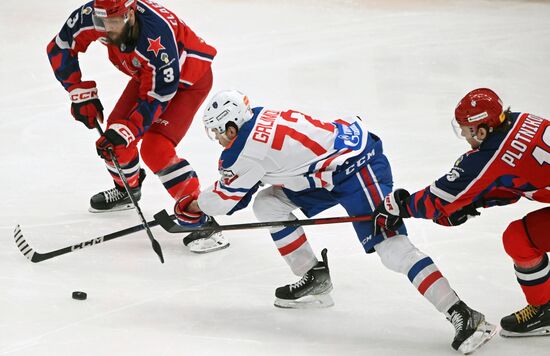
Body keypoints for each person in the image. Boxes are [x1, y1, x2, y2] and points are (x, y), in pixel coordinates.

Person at [173, 89, 496, 354]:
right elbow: (246, 190)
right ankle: (313, 277)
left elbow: (224, 201)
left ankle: (464, 314)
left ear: (232, 127)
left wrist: (192, 205)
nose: (217, 139)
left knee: (392, 248)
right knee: (269, 203)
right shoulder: (255, 117)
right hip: (325, 171)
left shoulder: (243, 151)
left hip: (357, 167)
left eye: (218, 132)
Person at [47, 0, 228, 253]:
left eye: (114, 22)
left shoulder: (157, 36)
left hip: (187, 81)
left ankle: (202, 218)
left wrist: (131, 129)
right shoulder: (92, 14)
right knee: (114, 137)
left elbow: (161, 93)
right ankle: (127, 190)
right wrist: (78, 90)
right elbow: (60, 46)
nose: (107, 29)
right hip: (149, 75)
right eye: (102, 23)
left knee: (156, 148)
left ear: (131, 14)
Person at [373, 88, 550, 337]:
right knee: (519, 236)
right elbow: (514, 183)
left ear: (481, 130)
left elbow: (438, 199)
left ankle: (544, 309)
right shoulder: (521, 120)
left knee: (519, 239)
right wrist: (474, 203)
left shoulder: (493, 153)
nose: (465, 137)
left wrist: (400, 207)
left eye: (465, 130)